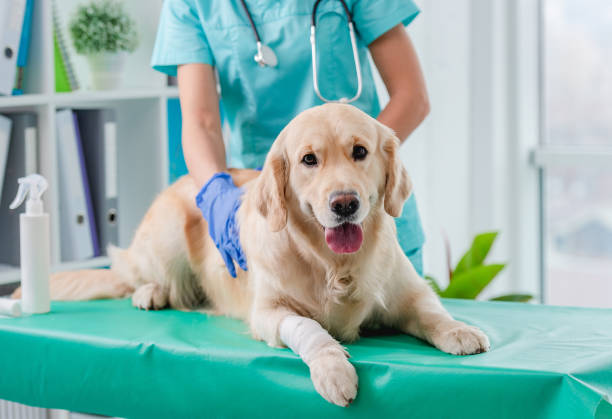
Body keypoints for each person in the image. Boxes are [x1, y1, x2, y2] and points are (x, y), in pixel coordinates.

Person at [151, 0, 429, 278]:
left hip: (367, 216)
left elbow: (412, 98)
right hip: (271, 210)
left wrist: (363, 157)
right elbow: (201, 122)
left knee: (399, 316)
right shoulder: (191, 4)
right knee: (282, 316)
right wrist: (216, 193)